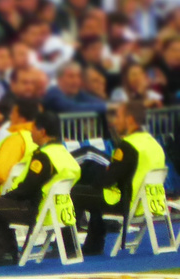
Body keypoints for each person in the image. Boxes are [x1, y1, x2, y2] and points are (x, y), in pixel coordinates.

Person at [0, 111, 81, 266]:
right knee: (0, 205)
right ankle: (7, 251)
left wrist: (7, 197)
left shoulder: (43, 156)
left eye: (33, 129)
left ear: (42, 131)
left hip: (37, 209)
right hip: (61, 209)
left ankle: (3, 254)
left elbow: (28, 189)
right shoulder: (63, 153)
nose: (30, 133)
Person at [72, 101, 170, 257]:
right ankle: (93, 243)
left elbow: (108, 180)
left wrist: (98, 177)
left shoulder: (128, 146)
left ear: (130, 119)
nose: (115, 121)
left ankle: (69, 246)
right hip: (153, 202)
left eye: (118, 116)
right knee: (93, 195)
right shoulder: (153, 143)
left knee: (76, 192)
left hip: (129, 203)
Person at [0, 100, 39, 196]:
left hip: (1, 194)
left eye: (13, 114)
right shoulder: (36, 138)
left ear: (22, 119)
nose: (10, 117)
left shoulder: (16, 140)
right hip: (25, 193)